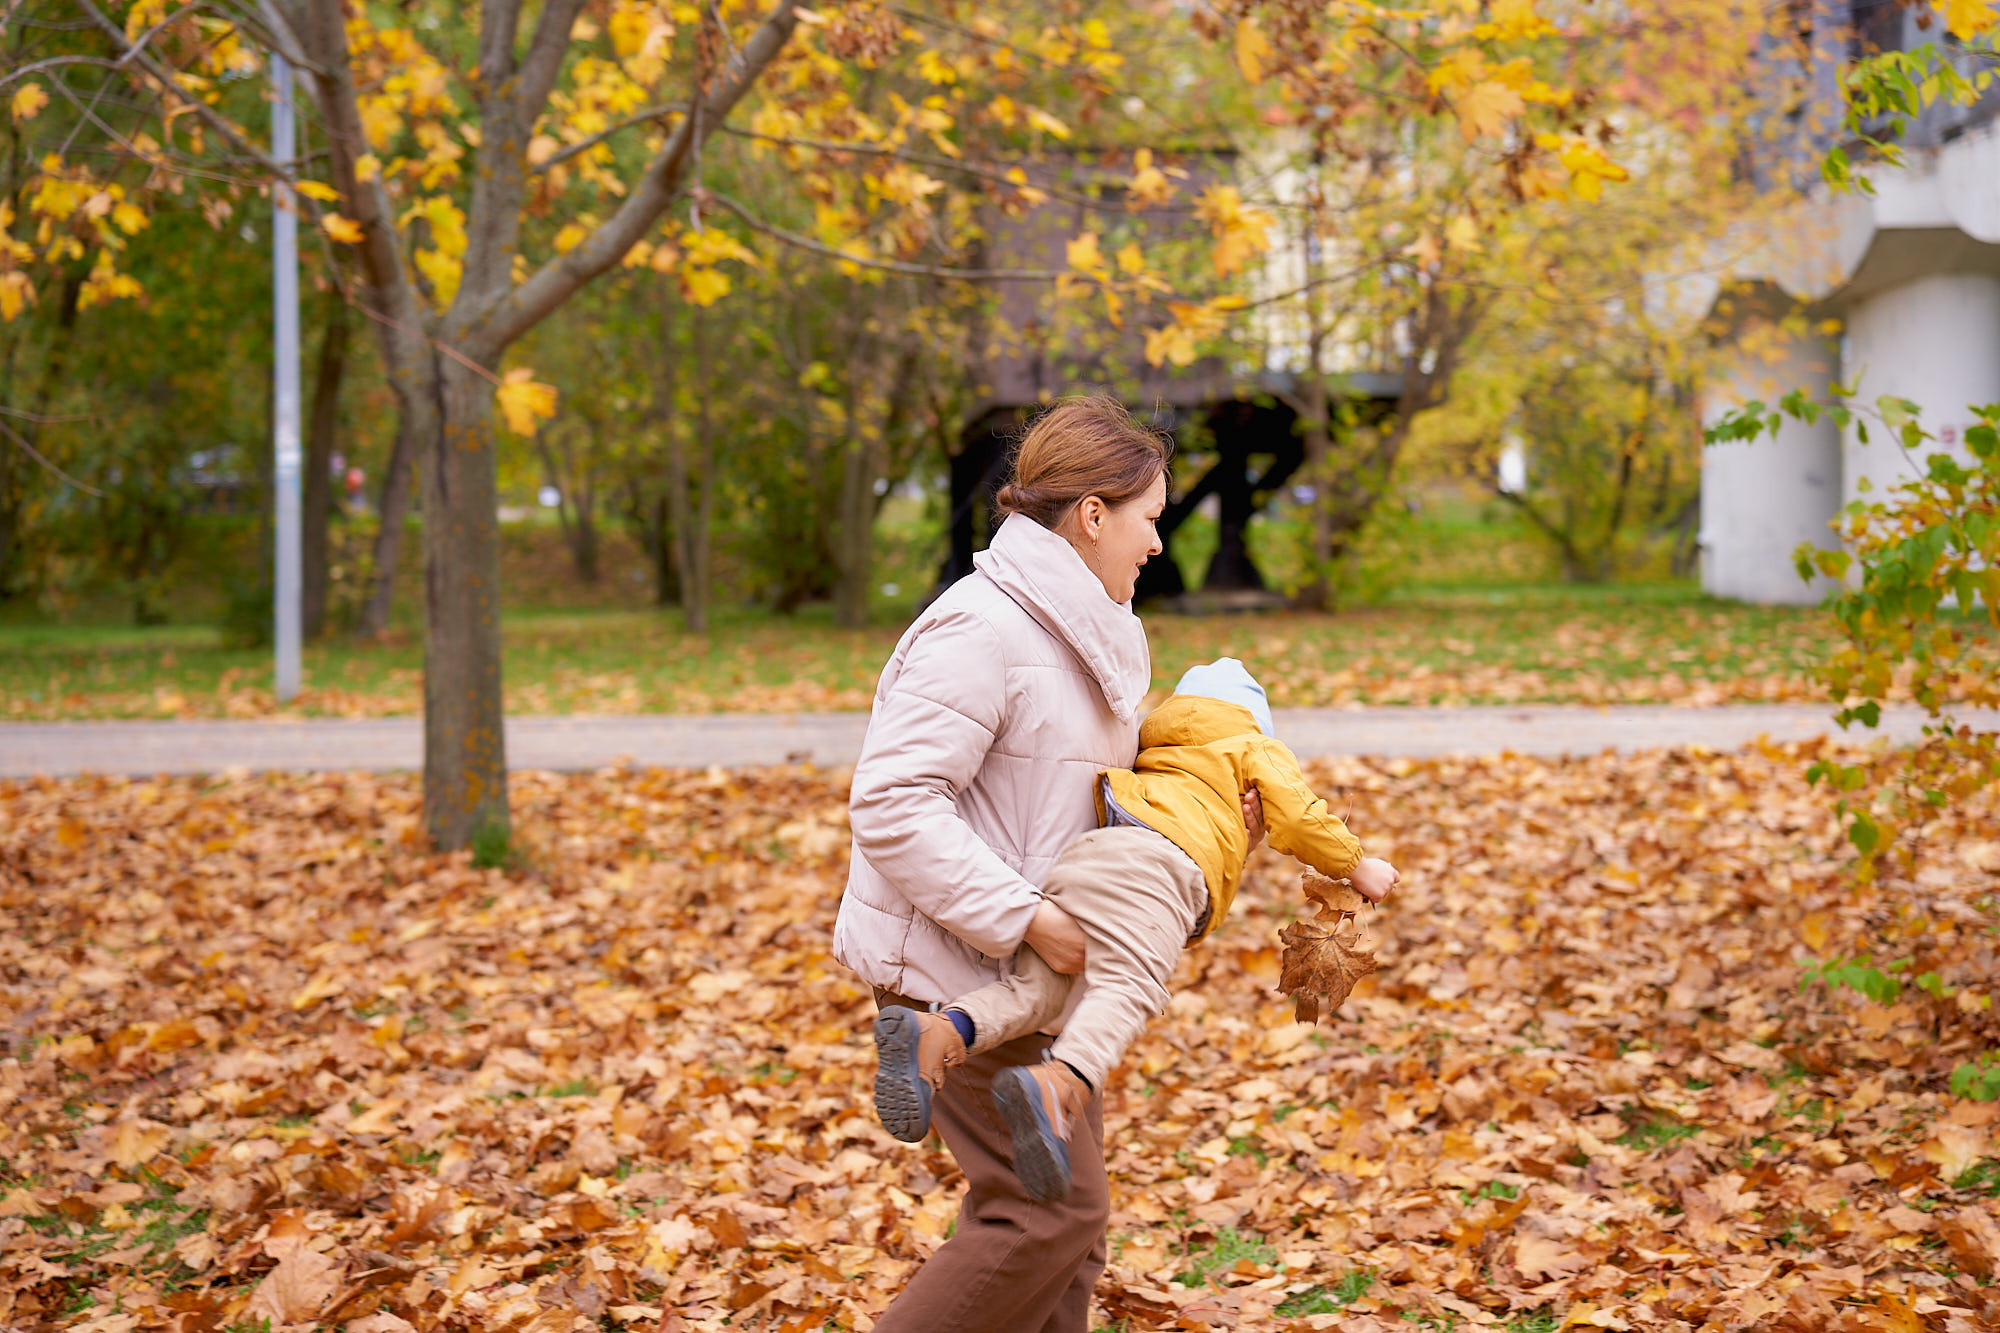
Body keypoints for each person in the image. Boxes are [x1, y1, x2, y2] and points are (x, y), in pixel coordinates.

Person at [833, 394, 1265, 1332]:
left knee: (1072, 1236)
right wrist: (1027, 918)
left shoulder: (1084, 629)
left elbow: (1069, 793)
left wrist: (1199, 822)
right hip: (961, 971)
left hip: (1033, 969)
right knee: (1043, 1216)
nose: (1158, 543)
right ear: (1093, 514)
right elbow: (893, 803)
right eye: (1150, 518)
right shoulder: (982, 630)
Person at [873, 657, 1399, 1202]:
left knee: (1040, 990)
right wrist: (1360, 867)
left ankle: (940, 1034)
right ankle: (1061, 1085)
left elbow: (1198, 813)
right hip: (1159, 872)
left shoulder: (1155, 741)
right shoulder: (1252, 745)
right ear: (1253, 719)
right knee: (1131, 984)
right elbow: (1302, 816)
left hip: (1091, 855)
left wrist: (1247, 836)